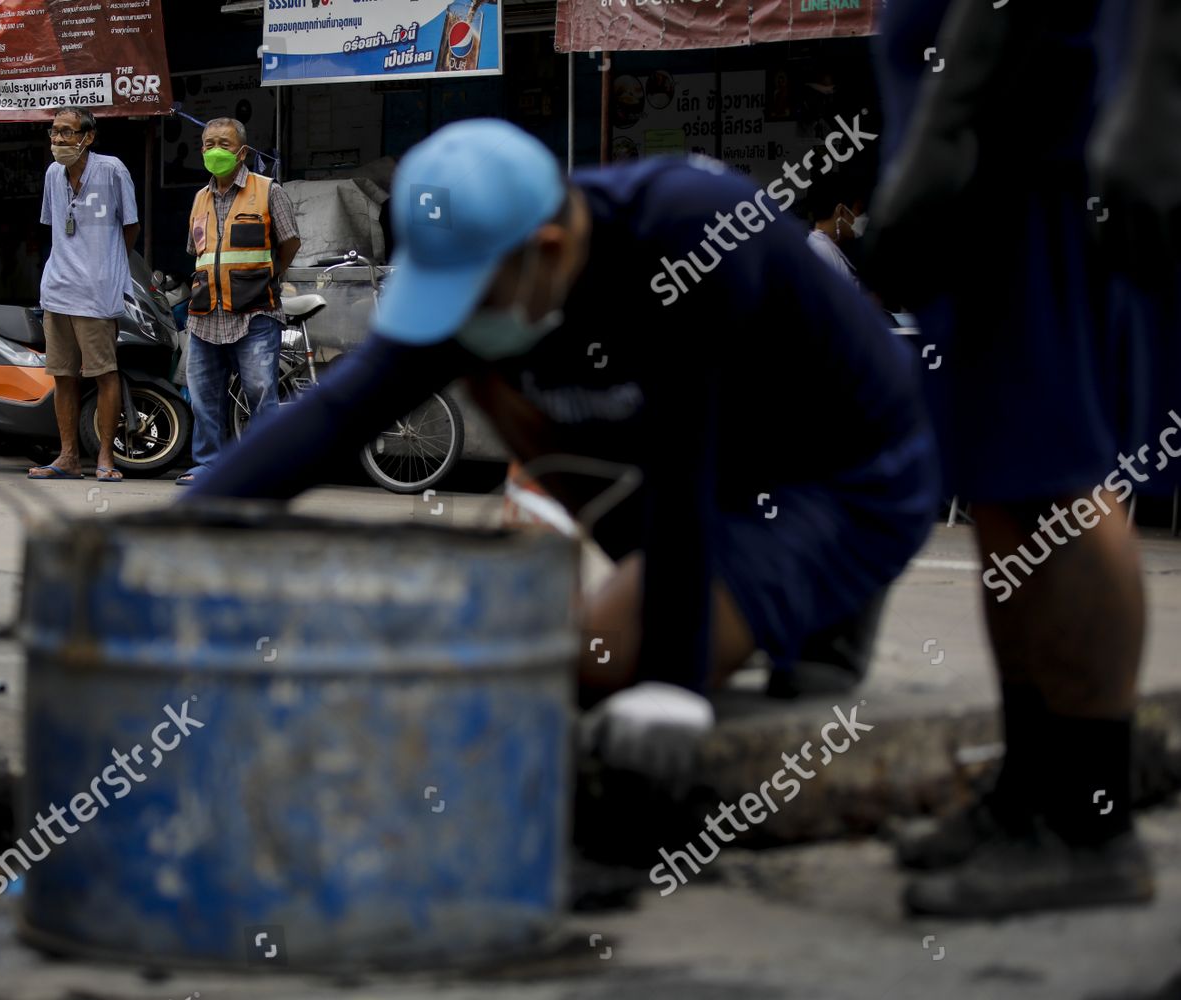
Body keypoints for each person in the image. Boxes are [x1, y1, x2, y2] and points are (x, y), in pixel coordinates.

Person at [183, 118, 941, 783]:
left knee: (595, 662)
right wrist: (180, 529)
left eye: (474, 297)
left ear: (549, 249)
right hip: (709, 462)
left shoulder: (692, 236)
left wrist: (670, 686)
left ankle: (828, 609)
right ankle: (722, 604)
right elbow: (340, 412)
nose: (460, 319)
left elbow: (684, 461)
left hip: (842, 479)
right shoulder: (502, 266)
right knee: (488, 377)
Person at [868, 0, 1180, 916]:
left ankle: (1093, 826)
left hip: (1023, 144)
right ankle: (1031, 790)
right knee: (1004, 490)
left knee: (1052, 479)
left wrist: (945, 129)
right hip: (982, 146)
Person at [175, 117, 301, 485]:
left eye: (223, 144)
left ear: (242, 152)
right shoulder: (200, 198)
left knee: (261, 393)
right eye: (208, 144)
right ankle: (209, 465)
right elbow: (195, 251)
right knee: (204, 397)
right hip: (205, 313)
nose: (214, 151)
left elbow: (289, 241)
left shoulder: (267, 190)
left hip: (255, 312)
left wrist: (270, 274)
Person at [28, 107, 139, 482]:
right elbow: (55, 227)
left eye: (67, 132)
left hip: (97, 291)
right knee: (63, 375)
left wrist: (108, 266)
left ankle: (105, 458)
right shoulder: (52, 174)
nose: (58, 140)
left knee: (104, 374)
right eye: (54, 132)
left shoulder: (112, 170)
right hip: (58, 289)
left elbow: (131, 227)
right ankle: (68, 457)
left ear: (88, 137)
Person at [804, 177, 861, 289]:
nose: (862, 217)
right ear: (841, 211)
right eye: (859, 209)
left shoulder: (822, 247)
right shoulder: (822, 252)